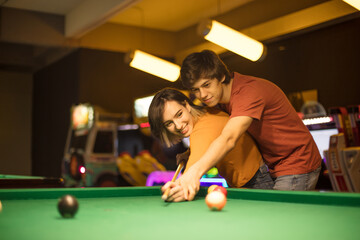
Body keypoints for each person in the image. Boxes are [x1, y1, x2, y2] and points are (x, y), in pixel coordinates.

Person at [172, 50, 322, 200]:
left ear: (221, 76)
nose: (202, 95)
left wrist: (194, 173)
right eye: (195, 90)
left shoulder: (248, 93)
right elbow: (211, 131)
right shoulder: (218, 100)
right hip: (272, 165)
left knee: (276, 216)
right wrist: (190, 154)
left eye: (206, 85)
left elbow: (229, 138)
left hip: (297, 161)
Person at [148, 88, 274, 202]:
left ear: (187, 105)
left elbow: (194, 166)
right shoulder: (206, 113)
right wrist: (188, 154)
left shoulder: (201, 131)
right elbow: (209, 141)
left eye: (179, 114)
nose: (178, 125)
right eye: (169, 123)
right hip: (253, 177)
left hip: (257, 181)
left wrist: (181, 185)